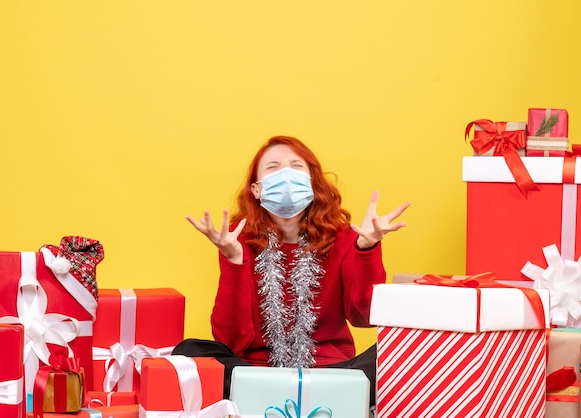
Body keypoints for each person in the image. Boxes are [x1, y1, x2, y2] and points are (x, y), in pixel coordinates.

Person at [172, 135, 410, 407]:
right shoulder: (239, 240)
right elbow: (231, 339)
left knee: (399, 354)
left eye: (296, 166)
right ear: (257, 189)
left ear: (312, 182)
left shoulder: (343, 236)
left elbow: (364, 317)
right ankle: (309, 399)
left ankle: (278, 398)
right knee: (188, 353)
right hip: (256, 372)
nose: (285, 174)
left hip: (333, 373)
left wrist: (367, 248)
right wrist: (234, 261)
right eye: (273, 168)